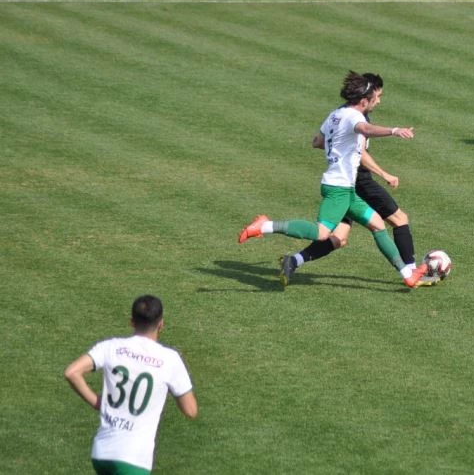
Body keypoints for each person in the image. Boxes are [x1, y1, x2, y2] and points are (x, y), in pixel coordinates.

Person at [238, 71, 430, 289]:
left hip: (347, 189)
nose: (376, 102)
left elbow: (318, 141)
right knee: (322, 232)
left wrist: (340, 147)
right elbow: (365, 129)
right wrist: (394, 131)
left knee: (378, 225)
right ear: (364, 100)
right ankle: (265, 225)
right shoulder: (353, 116)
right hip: (338, 187)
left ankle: (408, 275)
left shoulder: (335, 115)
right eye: (374, 99)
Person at [64, 295, 198, 474]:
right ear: (161, 324)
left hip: (102, 452)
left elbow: (72, 372)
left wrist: (97, 401)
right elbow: (190, 410)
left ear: (132, 322)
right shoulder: (170, 359)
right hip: (133, 458)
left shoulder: (110, 347)